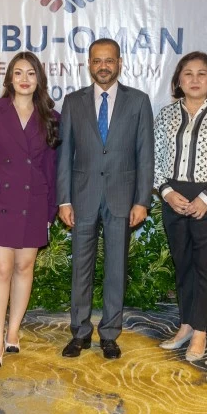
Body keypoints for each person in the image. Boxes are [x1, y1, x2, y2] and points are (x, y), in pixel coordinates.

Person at [57, 38, 155, 360]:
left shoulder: (139, 102)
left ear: (119, 63)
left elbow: (145, 155)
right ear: (89, 64)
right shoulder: (72, 102)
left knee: (116, 269)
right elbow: (64, 156)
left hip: (122, 198)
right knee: (80, 270)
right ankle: (80, 332)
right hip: (82, 198)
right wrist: (63, 200)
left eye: (109, 60)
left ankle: (110, 334)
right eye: (97, 60)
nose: (103, 66)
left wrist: (142, 200)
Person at [153, 52, 207, 363]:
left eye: (201, 74)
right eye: (187, 73)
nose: (194, 79)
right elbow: (155, 158)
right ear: (178, 80)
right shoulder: (165, 115)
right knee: (183, 264)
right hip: (173, 197)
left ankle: (201, 331)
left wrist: (206, 198)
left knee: (205, 265)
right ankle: (186, 325)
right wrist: (166, 192)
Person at [0, 52, 60, 367]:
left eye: (31, 73)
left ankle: (14, 333)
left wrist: (51, 211)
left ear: (39, 79)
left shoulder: (52, 118)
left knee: (24, 269)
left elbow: (51, 169)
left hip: (34, 202)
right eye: (18, 72)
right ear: (9, 78)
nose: (24, 79)